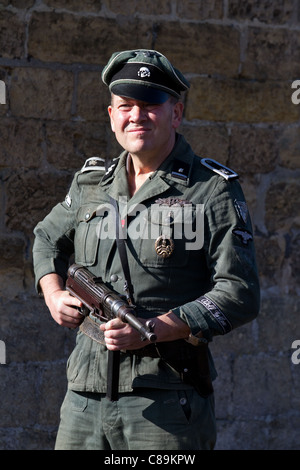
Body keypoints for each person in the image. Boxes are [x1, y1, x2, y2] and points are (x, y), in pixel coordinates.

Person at [32, 49, 260, 450]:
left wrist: (156, 328)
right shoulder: (91, 185)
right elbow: (47, 238)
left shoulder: (213, 189)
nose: (136, 116)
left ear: (176, 113)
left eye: (150, 105)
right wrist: (52, 293)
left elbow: (239, 293)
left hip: (168, 401)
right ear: (111, 115)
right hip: (84, 398)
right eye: (126, 106)